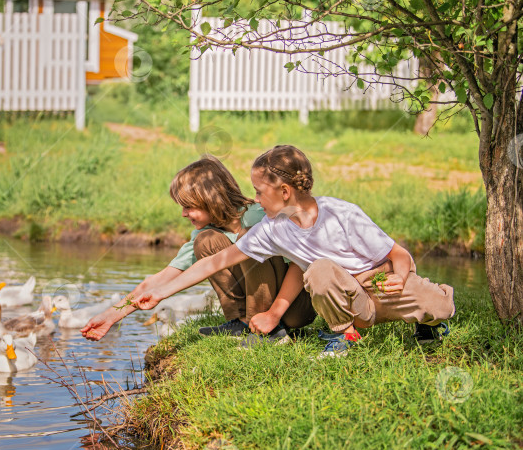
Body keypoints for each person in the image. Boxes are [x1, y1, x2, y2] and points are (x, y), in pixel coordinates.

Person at [131, 145, 456, 357]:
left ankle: (429, 317)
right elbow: (218, 260)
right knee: (319, 269)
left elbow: (399, 255)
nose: (255, 199)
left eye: (259, 192)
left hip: (379, 283)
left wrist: (400, 278)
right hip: (343, 294)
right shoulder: (273, 229)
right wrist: (162, 293)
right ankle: (343, 336)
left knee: (438, 307)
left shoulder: (342, 214)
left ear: (284, 192)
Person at [81, 155, 316, 343]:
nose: (183, 214)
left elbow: (301, 264)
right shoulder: (206, 234)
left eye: (188, 206)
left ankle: (267, 331)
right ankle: (242, 322)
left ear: (210, 200)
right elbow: (157, 280)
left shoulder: (261, 216)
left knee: (248, 240)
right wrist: (111, 315)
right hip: (263, 310)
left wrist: (274, 313)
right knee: (206, 242)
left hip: (294, 307)